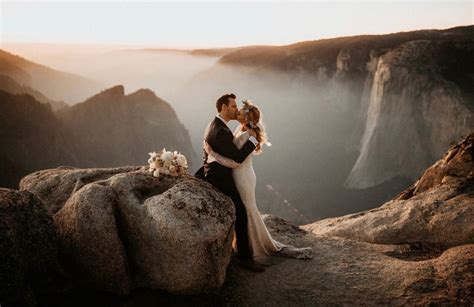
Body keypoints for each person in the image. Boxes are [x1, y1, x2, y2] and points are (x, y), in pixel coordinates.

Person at [195, 93, 265, 272]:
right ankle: (245, 258)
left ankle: (243, 250)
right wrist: (253, 140)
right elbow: (236, 159)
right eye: (233, 106)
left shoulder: (216, 124)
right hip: (219, 177)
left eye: (237, 107)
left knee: (243, 210)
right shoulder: (220, 131)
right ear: (224, 108)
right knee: (240, 212)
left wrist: (213, 155)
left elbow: (224, 157)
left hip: (227, 172)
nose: (236, 110)